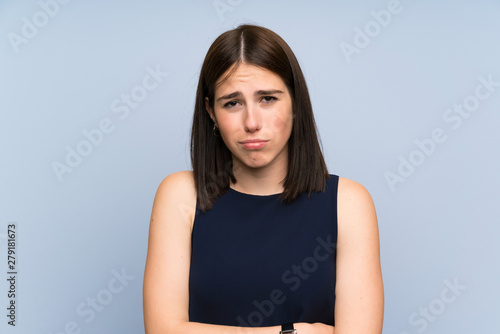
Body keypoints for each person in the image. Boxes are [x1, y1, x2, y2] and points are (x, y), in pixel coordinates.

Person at [143, 24, 384, 334]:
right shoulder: (180, 196)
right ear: (211, 112)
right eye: (232, 103)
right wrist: (289, 332)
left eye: (267, 99)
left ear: (296, 102)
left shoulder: (348, 203)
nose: (252, 122)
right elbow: (162, 331)